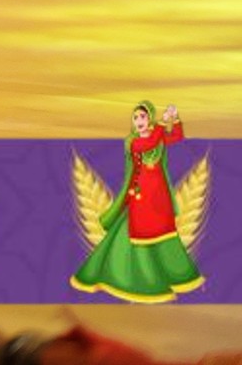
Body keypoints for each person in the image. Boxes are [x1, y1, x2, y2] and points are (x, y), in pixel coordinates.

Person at [71, 102, 206, 303]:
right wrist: (162, 123)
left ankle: (174, 273)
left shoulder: (157, 137)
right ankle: (139, 278)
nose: (139, 121)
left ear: (149, 118)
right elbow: (148, 144)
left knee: (164, 231)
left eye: (142, 117)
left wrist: (174, 119)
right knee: (140, 231)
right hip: (140, 196)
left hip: (159, 196)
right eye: (135, 118)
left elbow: (176, 137)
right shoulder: (133, 142)